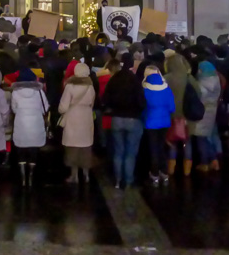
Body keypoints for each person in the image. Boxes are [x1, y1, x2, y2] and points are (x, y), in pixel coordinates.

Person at [102, 55, 146, 189]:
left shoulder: (114, 79)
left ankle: (117, 180)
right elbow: (141, 102)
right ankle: (128, 181)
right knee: (130, 153)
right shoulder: (135, 80)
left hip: (116, 118)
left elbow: (105, 99)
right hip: (133, 119)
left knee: (118, 151)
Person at [10, 66, 48, 187]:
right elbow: (45, 108)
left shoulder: (15, 92)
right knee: (33, 149)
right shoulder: (39, 92)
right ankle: (31, 176)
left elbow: (14, 109)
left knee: (21, 149)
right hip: (36, 122)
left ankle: (22, 178)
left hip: (21, 122)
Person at [59, 62, 96, 183]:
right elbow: (92, 103)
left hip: (73, 117)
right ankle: (86, 175)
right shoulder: (90, 87)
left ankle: (74, 175)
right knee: (85, 146)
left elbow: (63, 107)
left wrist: (61, 110)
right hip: (86, 117)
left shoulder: (70, 86)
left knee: (72, 147)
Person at [142, 65, 175, 185]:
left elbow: (143, 109)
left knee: (153, 148)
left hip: (150, 123)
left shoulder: (145, 90)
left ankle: (154, 174)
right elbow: (172, 108)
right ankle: (164, 173)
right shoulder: (167, 89)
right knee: (161, 147)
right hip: (165, 123)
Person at [190, 61, 222, 173]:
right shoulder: (217, 81)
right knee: (206, 136)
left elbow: (197, 98)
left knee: (201, 138)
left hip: (201, 112)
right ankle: (214, 160)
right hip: (212, 111)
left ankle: (205, 163)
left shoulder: (200, 84)